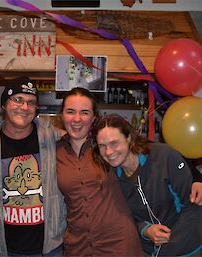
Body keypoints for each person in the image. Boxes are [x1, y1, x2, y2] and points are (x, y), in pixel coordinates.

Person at [0, 76, 66, 256]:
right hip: (4, 248)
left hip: (50, 248)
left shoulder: (55, 138)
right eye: (18, 100)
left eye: (31, 102)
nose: (24, 107)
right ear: (4, 105)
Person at [92, 114, 202, 256]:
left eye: (114, 143)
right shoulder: (112, 177)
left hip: (188, 249)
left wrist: (169, 246)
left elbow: (193, 206)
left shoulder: (163, 156)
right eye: (102, 146)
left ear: (129, 138)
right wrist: (145, 230)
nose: (108, 152)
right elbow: (124, 217)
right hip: (148, 251)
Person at [56, 87, 143, 257]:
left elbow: (151, 155)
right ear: (62, 115)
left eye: (84, 112)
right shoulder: (53, 151)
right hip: (78, 247)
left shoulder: (107, 145)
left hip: (119, 245)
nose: (77, 119)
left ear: (94, 118)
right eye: (70, 111)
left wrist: (195, 177)